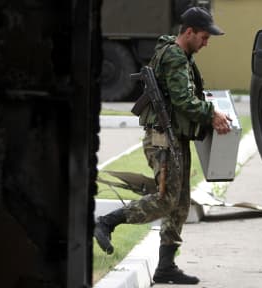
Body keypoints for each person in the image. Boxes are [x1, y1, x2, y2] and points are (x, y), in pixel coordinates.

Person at [94, 6, 231, 284]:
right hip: (163, 140)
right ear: (189, 32)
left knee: (179, 204)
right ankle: (106, 222)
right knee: (167, 199)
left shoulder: (180, 55)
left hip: (175, 138)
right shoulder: (175, 58)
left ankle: (166, 266)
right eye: (204, 37)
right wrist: (212, 113)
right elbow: (184, 101)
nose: (206, 43)